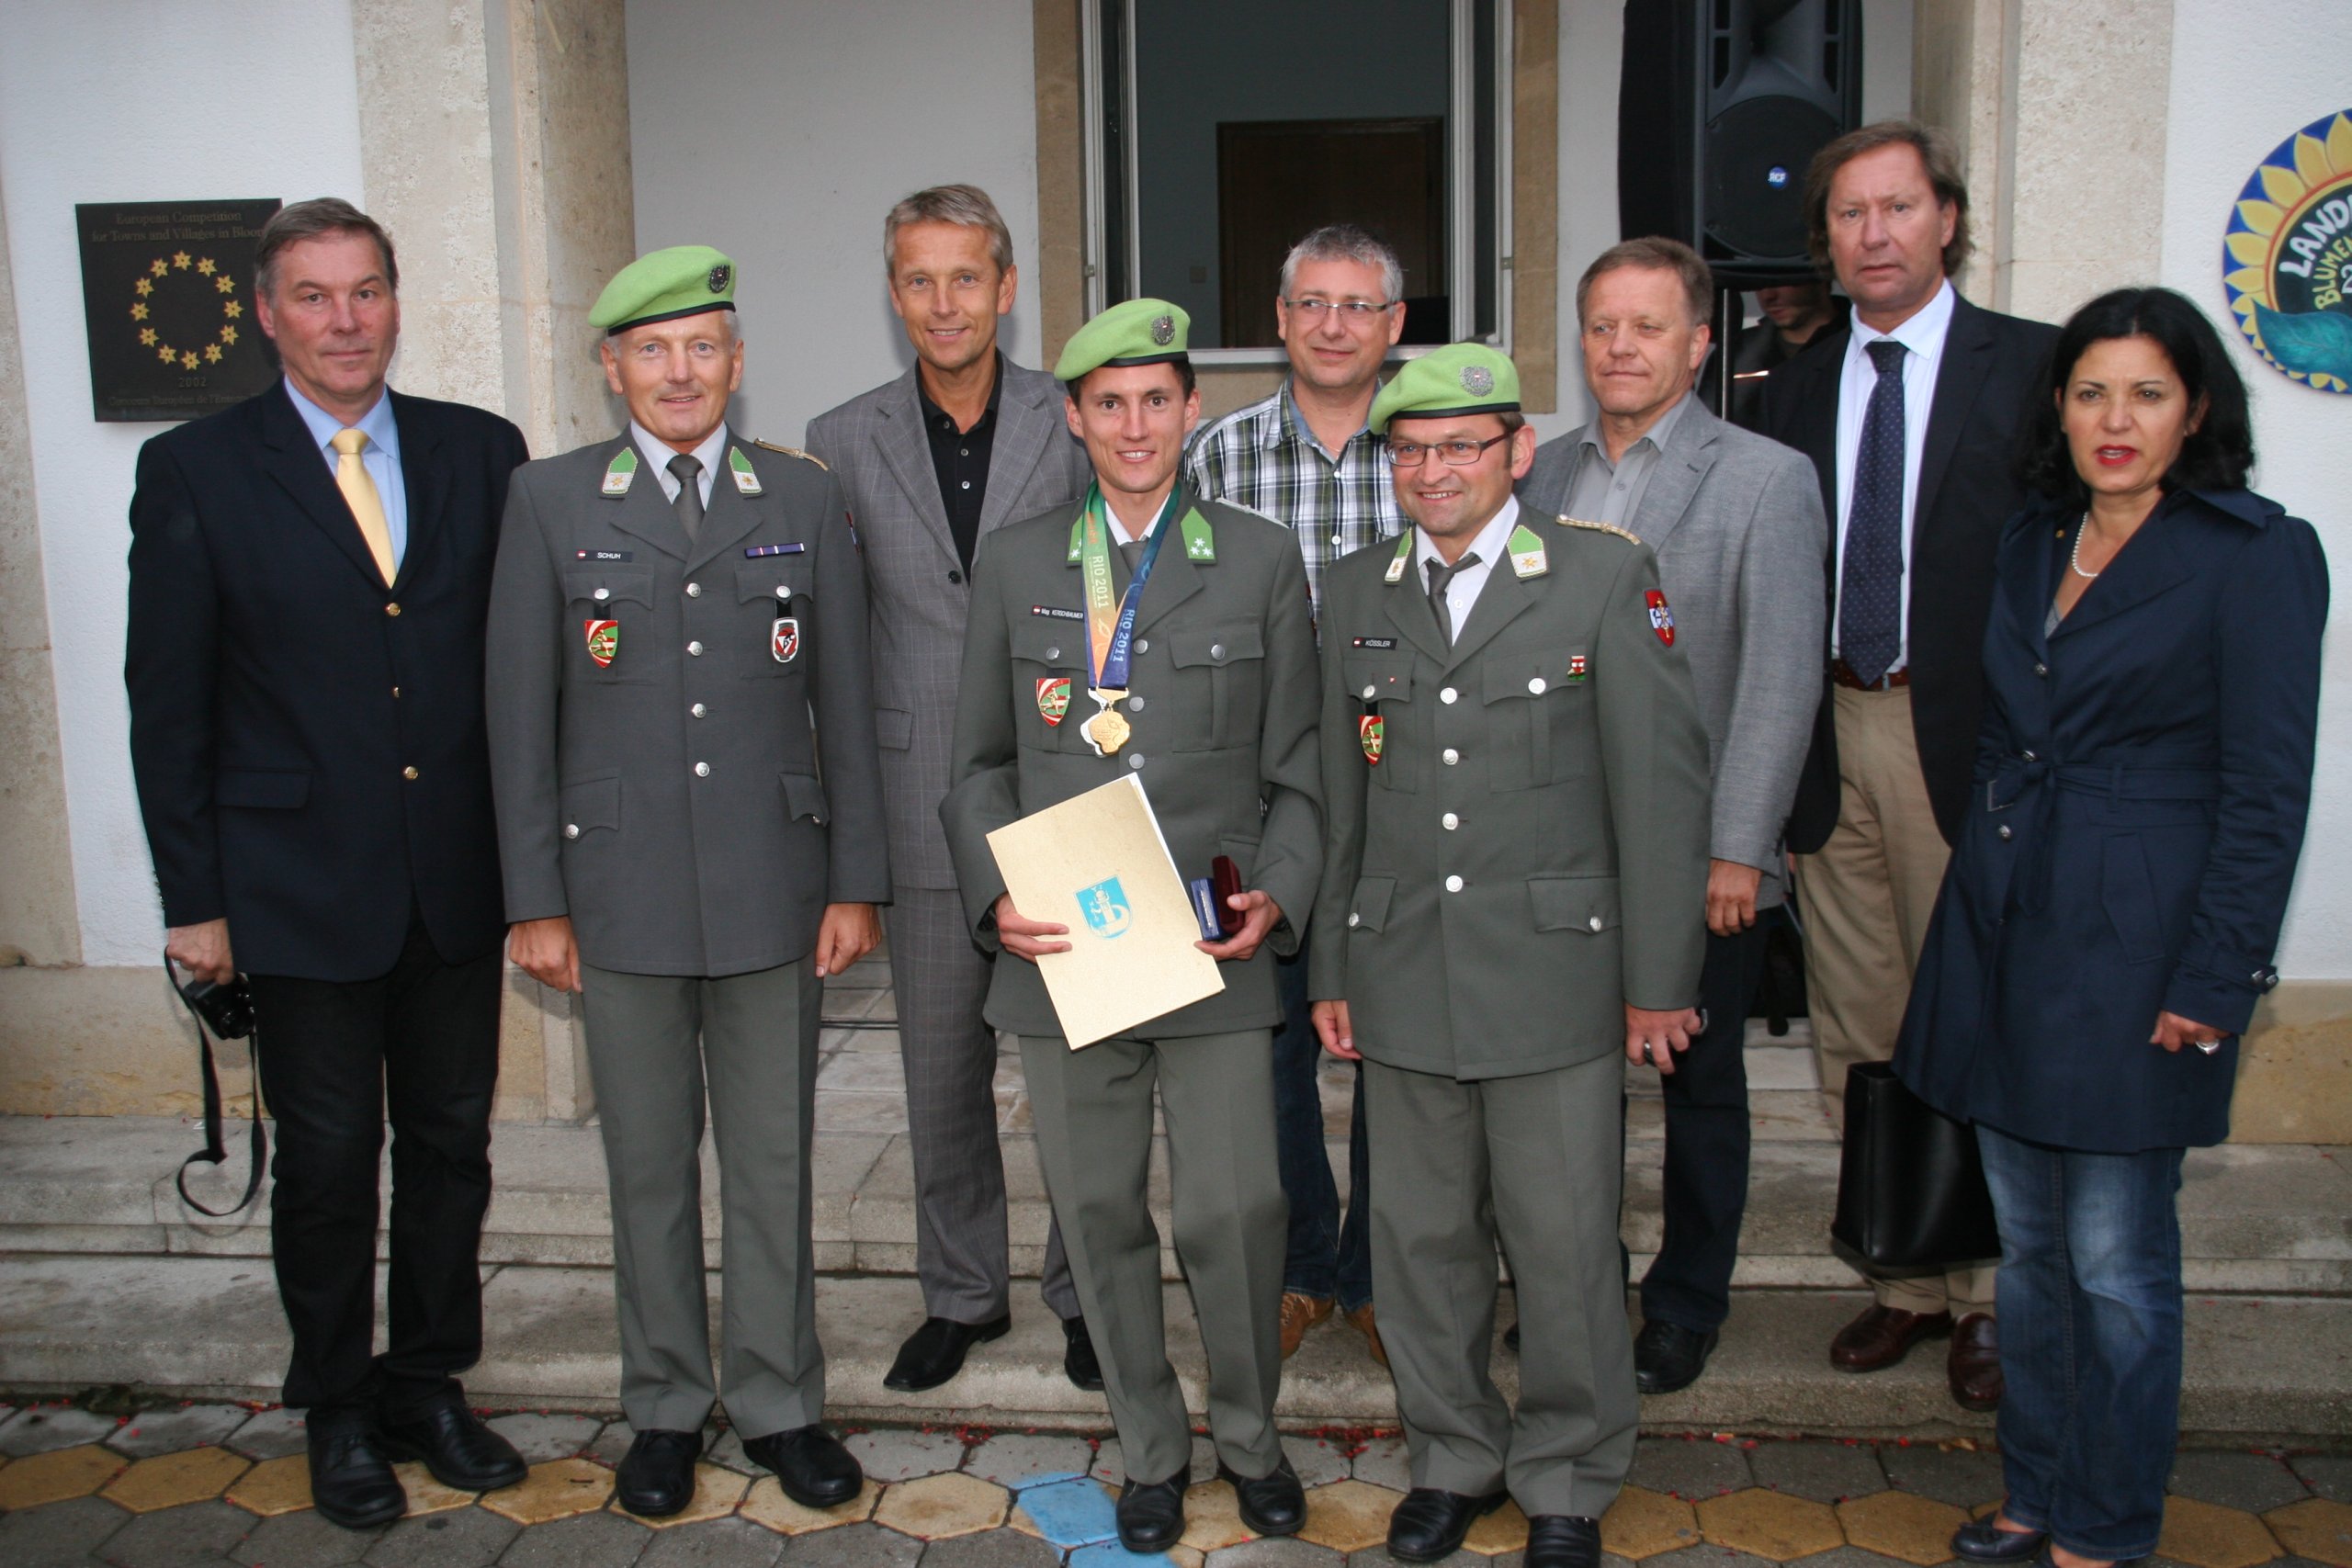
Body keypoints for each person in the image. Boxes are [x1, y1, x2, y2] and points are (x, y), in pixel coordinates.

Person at [1896, 287, 2325, 1568]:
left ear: (2196, 408)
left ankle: (2105, 1524)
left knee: (2117, 1264)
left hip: (2144, 954)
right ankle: (2034, 1495)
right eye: (2091, 392)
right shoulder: (2034, 538)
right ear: (2061, 411)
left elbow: (2267, 792)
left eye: (2146, 391)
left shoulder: (2256, 553)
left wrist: (2218, 973)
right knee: (2028, 1256)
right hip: (2008, 935)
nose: (2115, 418)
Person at [124, 198, 530, 1528]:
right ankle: (337, 1406)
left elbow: (514, 674)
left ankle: (427, 1384)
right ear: (266, 311)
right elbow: (166, 700)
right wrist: (196, 904)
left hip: (454, 878)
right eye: (314, 295)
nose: (345, 319)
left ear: (397, 301)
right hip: (294, 888)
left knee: (451, 1146)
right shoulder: (196, 468)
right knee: (327, 1158)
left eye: (365, 291)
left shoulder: (482, 454)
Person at [486, 246, 888, 1517]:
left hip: (777, 879)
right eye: (652, 350)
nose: (679, 371)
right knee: (650, 1165)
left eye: (703, 345)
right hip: (620, 891)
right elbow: (516, 714)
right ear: (611, 368)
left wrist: (856, 878)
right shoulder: (548, 501)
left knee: (772, 1158)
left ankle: (777, 1397)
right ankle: (662, 1400)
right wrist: (533, 894)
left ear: (738, 361)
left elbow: (846, 699)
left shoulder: (802, 497)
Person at [1312, 344, 1711, 1568]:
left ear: (1517, 453)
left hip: (1554, 973)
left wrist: (1660, 982)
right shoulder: (1352, 589)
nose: (1434, 470)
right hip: (1403, 967)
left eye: (1462, 446)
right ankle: (1454, 1455)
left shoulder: (1600, 576)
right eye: (1410, 449)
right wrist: (1331, 963)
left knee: (1563, 1239)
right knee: (1420, 1242)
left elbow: (1660, 791)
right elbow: (1338, 793)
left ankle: (1569, 1473)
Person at [940, 299, 1320, 1554]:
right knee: (1098, 1209)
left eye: (1158, 397)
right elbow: (979, 762)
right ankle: (1154, 1448)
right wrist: (995, 890)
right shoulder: (1018, 558)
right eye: (1110, 402)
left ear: (1192, 408)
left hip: (1210, 940)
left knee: (1234, 1208)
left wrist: (1277, 881)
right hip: (1070, 945)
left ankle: (1252, 1439)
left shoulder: (1259, 558)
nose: (1136, 423)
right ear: (1074, 417)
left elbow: (1302, 758)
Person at [1760, 119, 2058, 1409]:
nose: (1872, 234)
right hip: (1834, 735)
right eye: (1848, 215)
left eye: (1896, 207)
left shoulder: (2037, 371)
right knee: (1864, 1026)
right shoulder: (1792, 389)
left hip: (1968, 739)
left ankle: (1994, 1294)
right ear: (1826, 242)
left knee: (1982, 1017)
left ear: (1947, 217)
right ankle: (1906, 1280)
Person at [803, 184, 1098, 1395]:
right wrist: (849, 846)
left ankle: (1088, 1292)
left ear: (1007, 287)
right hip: (919, 791)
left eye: (964, 277)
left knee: (1085, 1067)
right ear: (892, 292)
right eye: (918, 279)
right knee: (940, 1069)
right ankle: (963, 1290)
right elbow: (833, 642)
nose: (943, 302)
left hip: (1064, 787)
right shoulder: (840, 433)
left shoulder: (1073, 421)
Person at [1520, 237, 1826, 1395]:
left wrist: (1739, 847)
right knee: (1564, 1088)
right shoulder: (1536, 474)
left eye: (1648, 326)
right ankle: (1577, 1287)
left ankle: (1687, 1301)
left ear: (1699, 344)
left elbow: (1781, 674)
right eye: (1602, 324)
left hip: (1701, 856)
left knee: (1698, 1089)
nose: (1620, 347)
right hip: (1558, 852)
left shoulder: (1764, 477)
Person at [1183, 221, 1408, 1365]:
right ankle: (1306, 1268)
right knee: (1267, 1043)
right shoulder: (1215, 458)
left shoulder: (1426, 454)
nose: (1333, 325)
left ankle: (1378, 1273)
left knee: (1396, 1040)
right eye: (1312, 303)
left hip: (1403, 793)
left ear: (1394, 326)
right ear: (1279, 318)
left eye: (1358, 306)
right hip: (1259, 794)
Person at [1716, 277, 1849, 431]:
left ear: (1820, 277)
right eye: (1759, 284)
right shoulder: (1734, 353)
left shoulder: (1862, 344)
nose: (1768, 296)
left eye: (1780, 280)